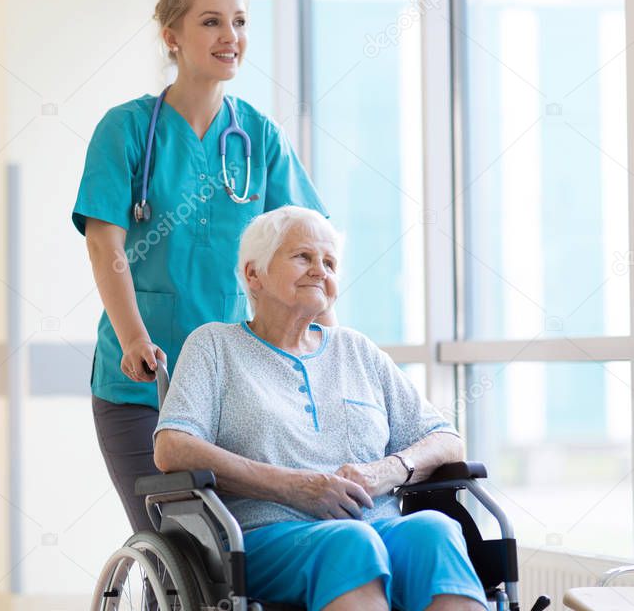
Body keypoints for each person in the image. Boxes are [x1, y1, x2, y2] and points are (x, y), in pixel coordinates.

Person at [72, 0, 329, 533]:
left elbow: (308, 250)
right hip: (144, 380)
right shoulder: (128, 130)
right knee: (180, 541)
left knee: (251, 545)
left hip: (241, 382)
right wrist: (135, 337)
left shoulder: (258, 136)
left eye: (239, 22)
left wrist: (326, 348)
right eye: (211, 21)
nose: (229, 36)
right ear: (172, 36)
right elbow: (103, 242)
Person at [154, 206, 487, 611]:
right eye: (302, 257)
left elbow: (446, 440)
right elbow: (172, 446)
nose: (320, 270)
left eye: (329, 262)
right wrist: (295, 486)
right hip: (268, 536)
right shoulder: (215, 346)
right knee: (352, 541)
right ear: (254, 274)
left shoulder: (356, 350)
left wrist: (387, 471)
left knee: (435, 529)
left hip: (379, 525)